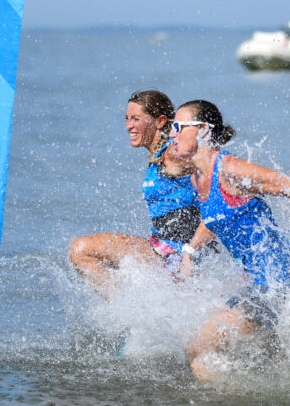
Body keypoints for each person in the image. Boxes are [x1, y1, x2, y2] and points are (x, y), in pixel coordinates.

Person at [171, 99, 290, 381]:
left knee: (198, 346)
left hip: (280, 289)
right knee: (267, 366)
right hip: (258, 288)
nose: (171, 134)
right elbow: (216, 218)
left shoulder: (230, 169)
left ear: (202, 130)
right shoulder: (199, 178)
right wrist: (189, 252)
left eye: (177, 127)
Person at [69, 89, 202, 297]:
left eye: (136, 119)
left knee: (81, 249)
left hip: (172, 253)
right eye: (127, 118)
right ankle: (130, 311)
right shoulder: (159, 156)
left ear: (160, 121)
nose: (129, 125)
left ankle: (121, 314)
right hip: (161, 247)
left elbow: (206, 165)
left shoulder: (171, 153)